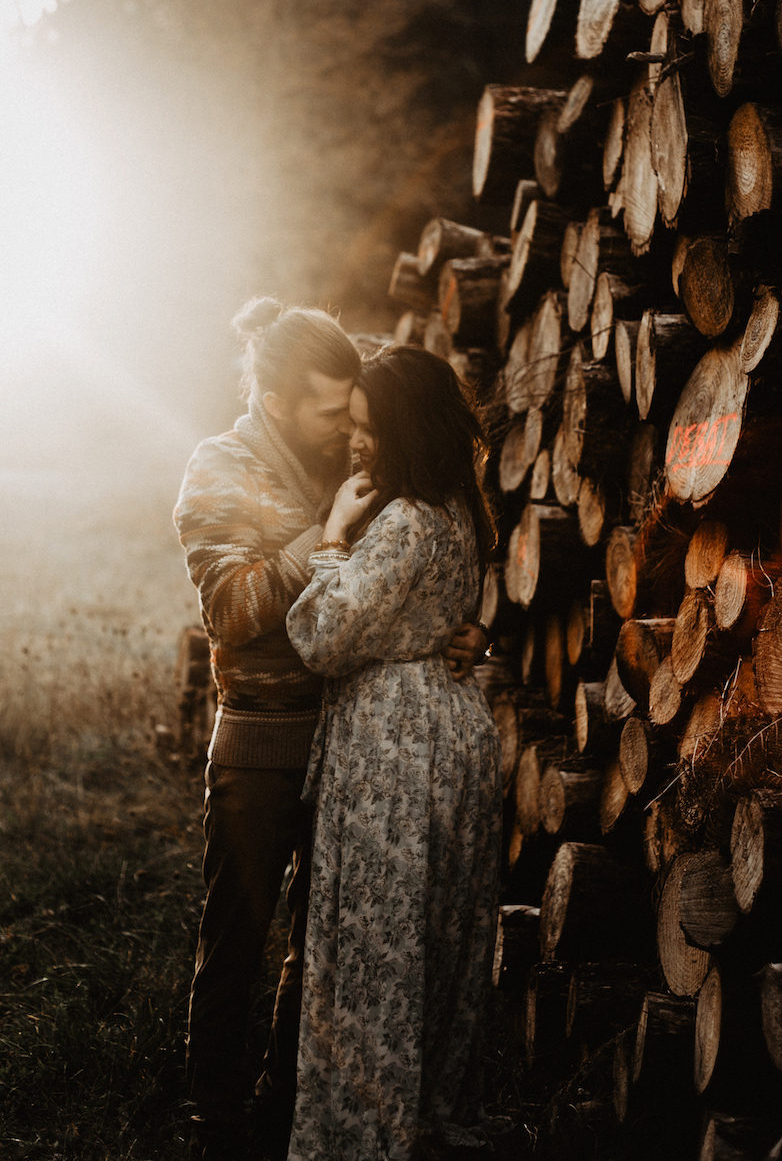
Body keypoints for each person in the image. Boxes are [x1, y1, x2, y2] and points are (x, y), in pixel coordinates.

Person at [173, 300, 486, 1161]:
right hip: (266, 739)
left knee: (329, 943)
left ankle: (286, 1096)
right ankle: (213, 1117)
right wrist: (324, 536)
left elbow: (410, 571)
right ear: (275, 400)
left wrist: (455, 629)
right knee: (238, 932)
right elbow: (232, 612)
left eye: (350, 409)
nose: (342, 429)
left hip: (357, 746)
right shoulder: (219, 470)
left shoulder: (360, 447)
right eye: (325, 411)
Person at [284, 344, 503, 1161]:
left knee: (377, 948)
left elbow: (324, 634)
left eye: (370, 428)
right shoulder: (460, 511)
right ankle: (424, 1115)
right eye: (353, 425)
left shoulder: (406, 519)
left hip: (394, 749)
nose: (356, 441)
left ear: (405, 426)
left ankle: (363, 1136)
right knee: (430, 938)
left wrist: (334, 536)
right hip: (450, 736)